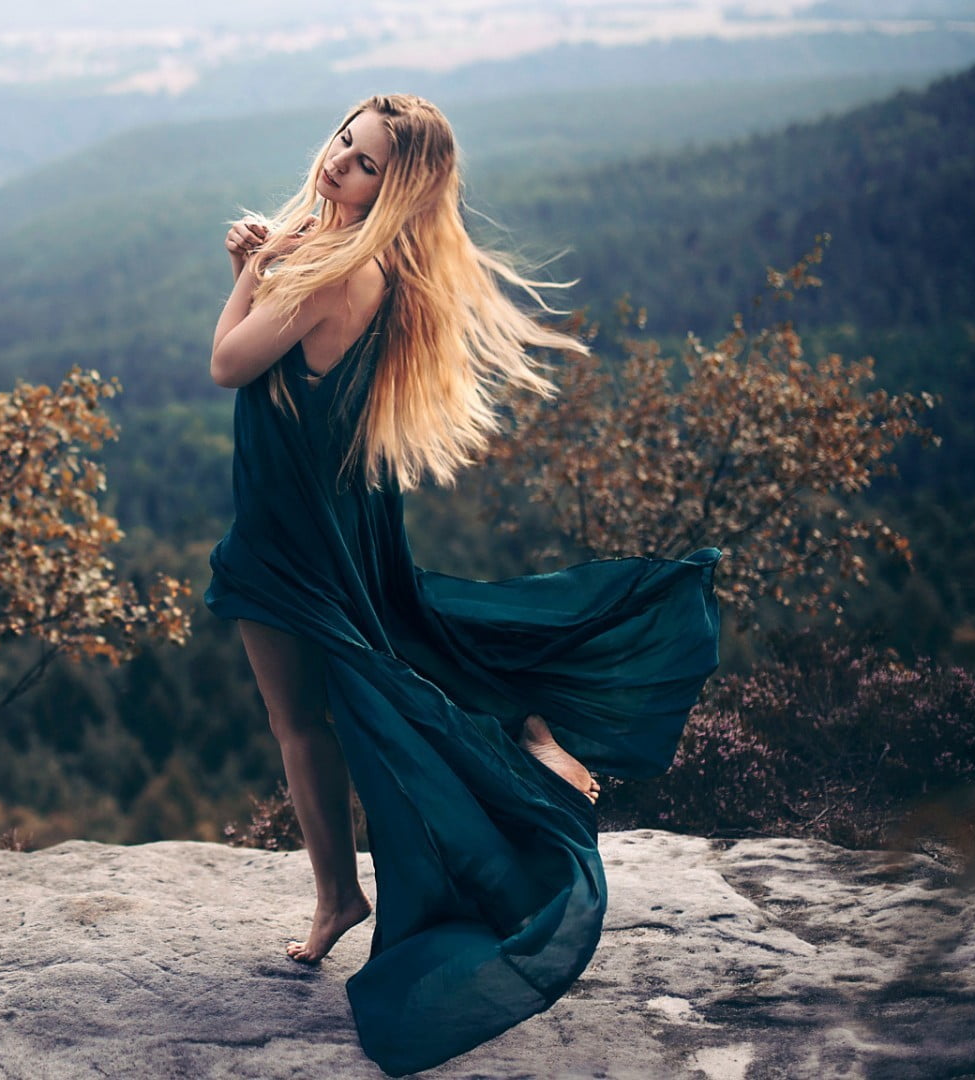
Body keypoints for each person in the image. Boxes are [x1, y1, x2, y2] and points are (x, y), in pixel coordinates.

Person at [204, 93, 723, 1076]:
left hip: (288, 536)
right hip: (338, 519)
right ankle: (519, 731)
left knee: (309, 720)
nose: (336, 166)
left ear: (393, 189)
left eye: (361, 165)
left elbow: (229, 361)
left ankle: (342, 892)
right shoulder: (381, 268)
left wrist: (248, 271)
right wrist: (276, 258)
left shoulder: (327, 270)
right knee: (405, 655)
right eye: (342, 143)